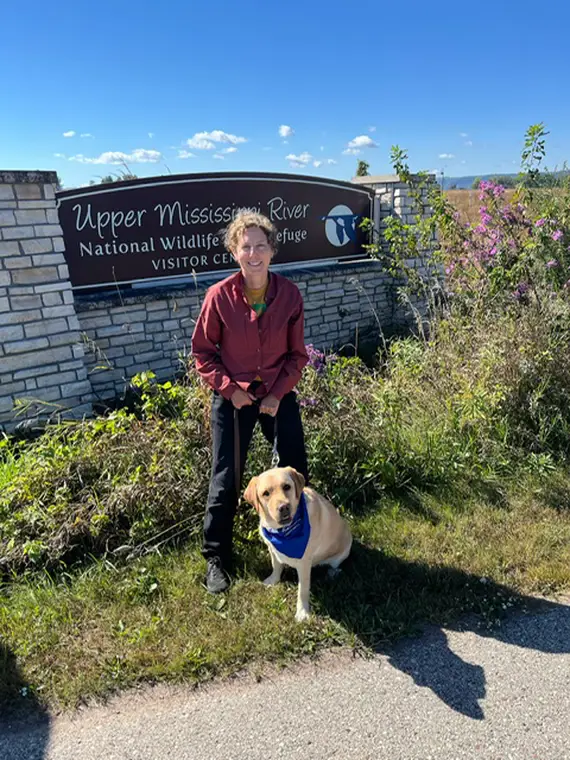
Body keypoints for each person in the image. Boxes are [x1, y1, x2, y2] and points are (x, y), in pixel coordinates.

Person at [191, 210, 309, 593]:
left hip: (277, 392)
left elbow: (297, 357)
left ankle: (302, 544)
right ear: (234, 251)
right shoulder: (218, 297)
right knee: (226, 479)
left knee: (295, 471)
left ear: (272, 250)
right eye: (246, 247)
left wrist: (276, 395)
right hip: (233, 397)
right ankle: (217, 559)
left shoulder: (289, 295)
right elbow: (203, 354)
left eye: (261, 246)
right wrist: (231, 390)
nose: (254, 253)